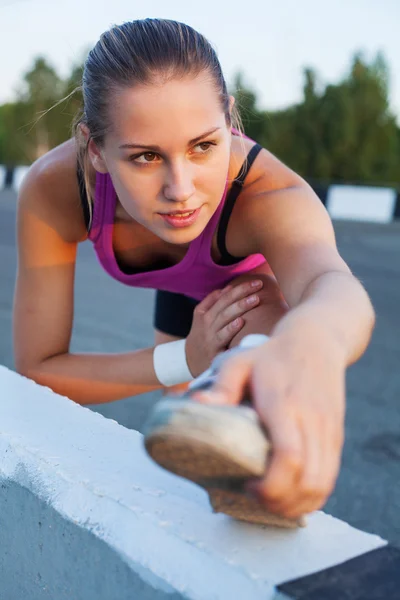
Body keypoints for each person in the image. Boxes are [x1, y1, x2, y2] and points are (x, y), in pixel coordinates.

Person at [13, 18, 375, 522]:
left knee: (236, 451)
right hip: (185, 301)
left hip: (243, 304)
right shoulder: (57, 190)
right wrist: (184, 358)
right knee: (175, 447)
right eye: (144, 157)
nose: (180, 189)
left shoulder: (268, 195)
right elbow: (40, 369)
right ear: (94, 148)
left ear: (227, 118)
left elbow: (331, 286)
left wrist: (311, 343)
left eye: (203, 145)